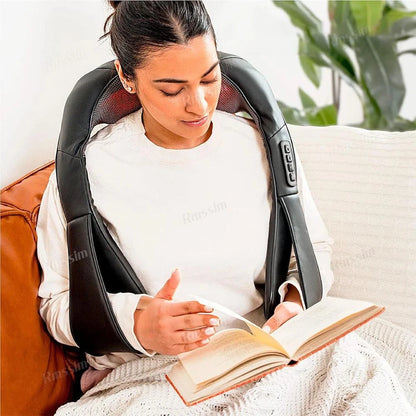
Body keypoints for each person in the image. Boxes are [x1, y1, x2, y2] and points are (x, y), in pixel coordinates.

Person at [36, 0, 334, 397]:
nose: (199, 105)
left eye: (210, 79)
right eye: (172, 89)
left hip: (266, 355)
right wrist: (139, 323)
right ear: (127, 77)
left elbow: (312, 249)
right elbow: (57, 303)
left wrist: (294, 304)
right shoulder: (84, 173)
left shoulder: (259, 146)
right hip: (154, 374)